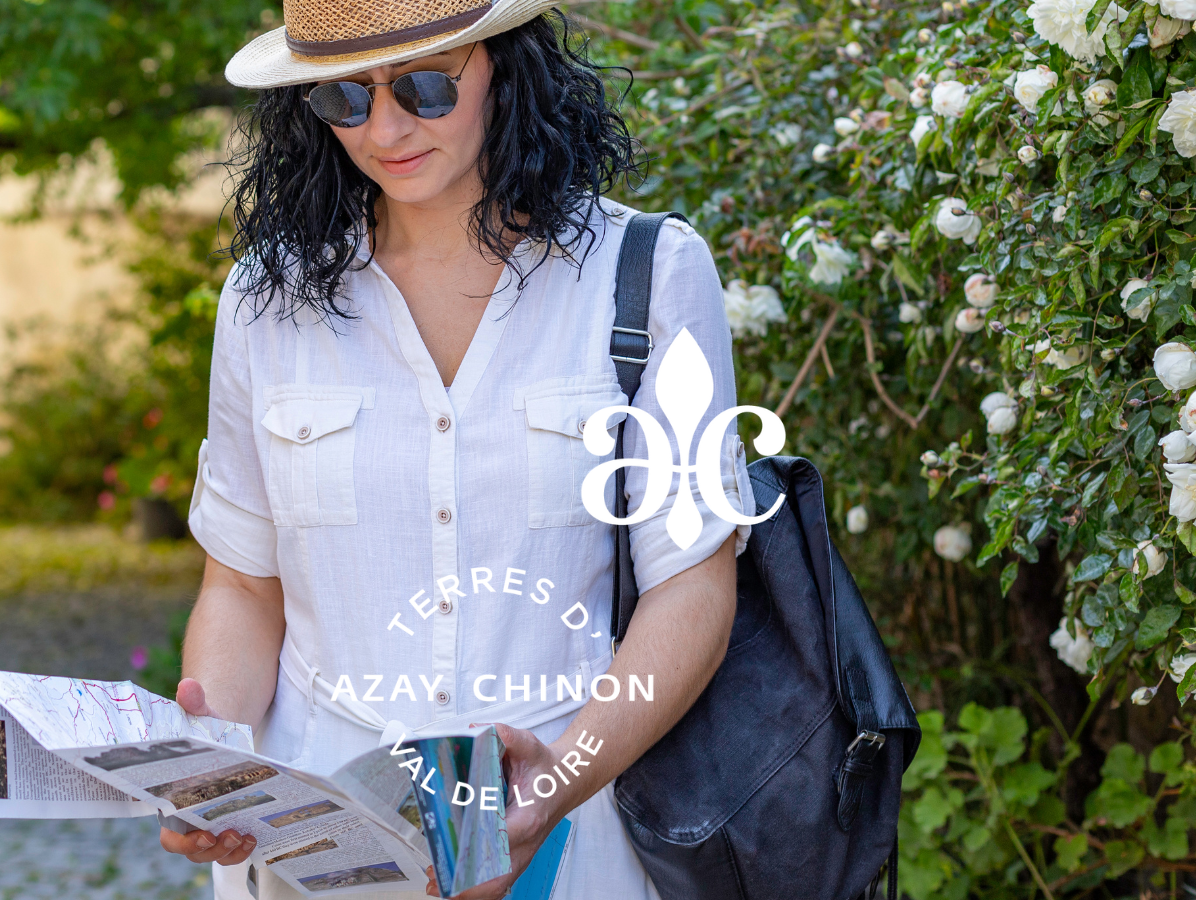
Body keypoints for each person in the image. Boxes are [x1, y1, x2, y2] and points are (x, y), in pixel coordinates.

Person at [161, 1, 755, 897]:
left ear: (506, 68)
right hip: (312, 847)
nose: (386, 128)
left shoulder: (648, 272)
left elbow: (693, 585)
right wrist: (215, 769)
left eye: (426, 86)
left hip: (573, 836)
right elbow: (244, 586)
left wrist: (552, 788)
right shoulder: (261, 299)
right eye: (343, 99)